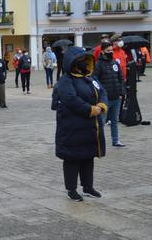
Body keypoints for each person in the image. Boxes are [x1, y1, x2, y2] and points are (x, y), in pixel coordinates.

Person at [55, 46, 108, 202]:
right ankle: (72, 189)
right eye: (80, 61)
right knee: (72, 158)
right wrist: (90, 110)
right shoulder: (66, 80)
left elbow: (102, 92)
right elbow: (70, 99)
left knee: (87, 156)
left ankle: (88, 187)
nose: (84, 63)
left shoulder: (90, 78)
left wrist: (102, 106)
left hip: (90, 128)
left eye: (85, 60)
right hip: (72, 128)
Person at [94, 41, 126, 147]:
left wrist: (122, 92)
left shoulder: (114, 62)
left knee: (114, 120)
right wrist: (100, 96)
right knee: (102, 121)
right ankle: (99, 142)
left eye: (111, 50)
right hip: (105, 99)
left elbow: (120, 78)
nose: (110, 52)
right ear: (102, 51)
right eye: (108, 50)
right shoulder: (98, 64)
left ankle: (116, 140)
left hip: (116, 97)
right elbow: (95, 81)